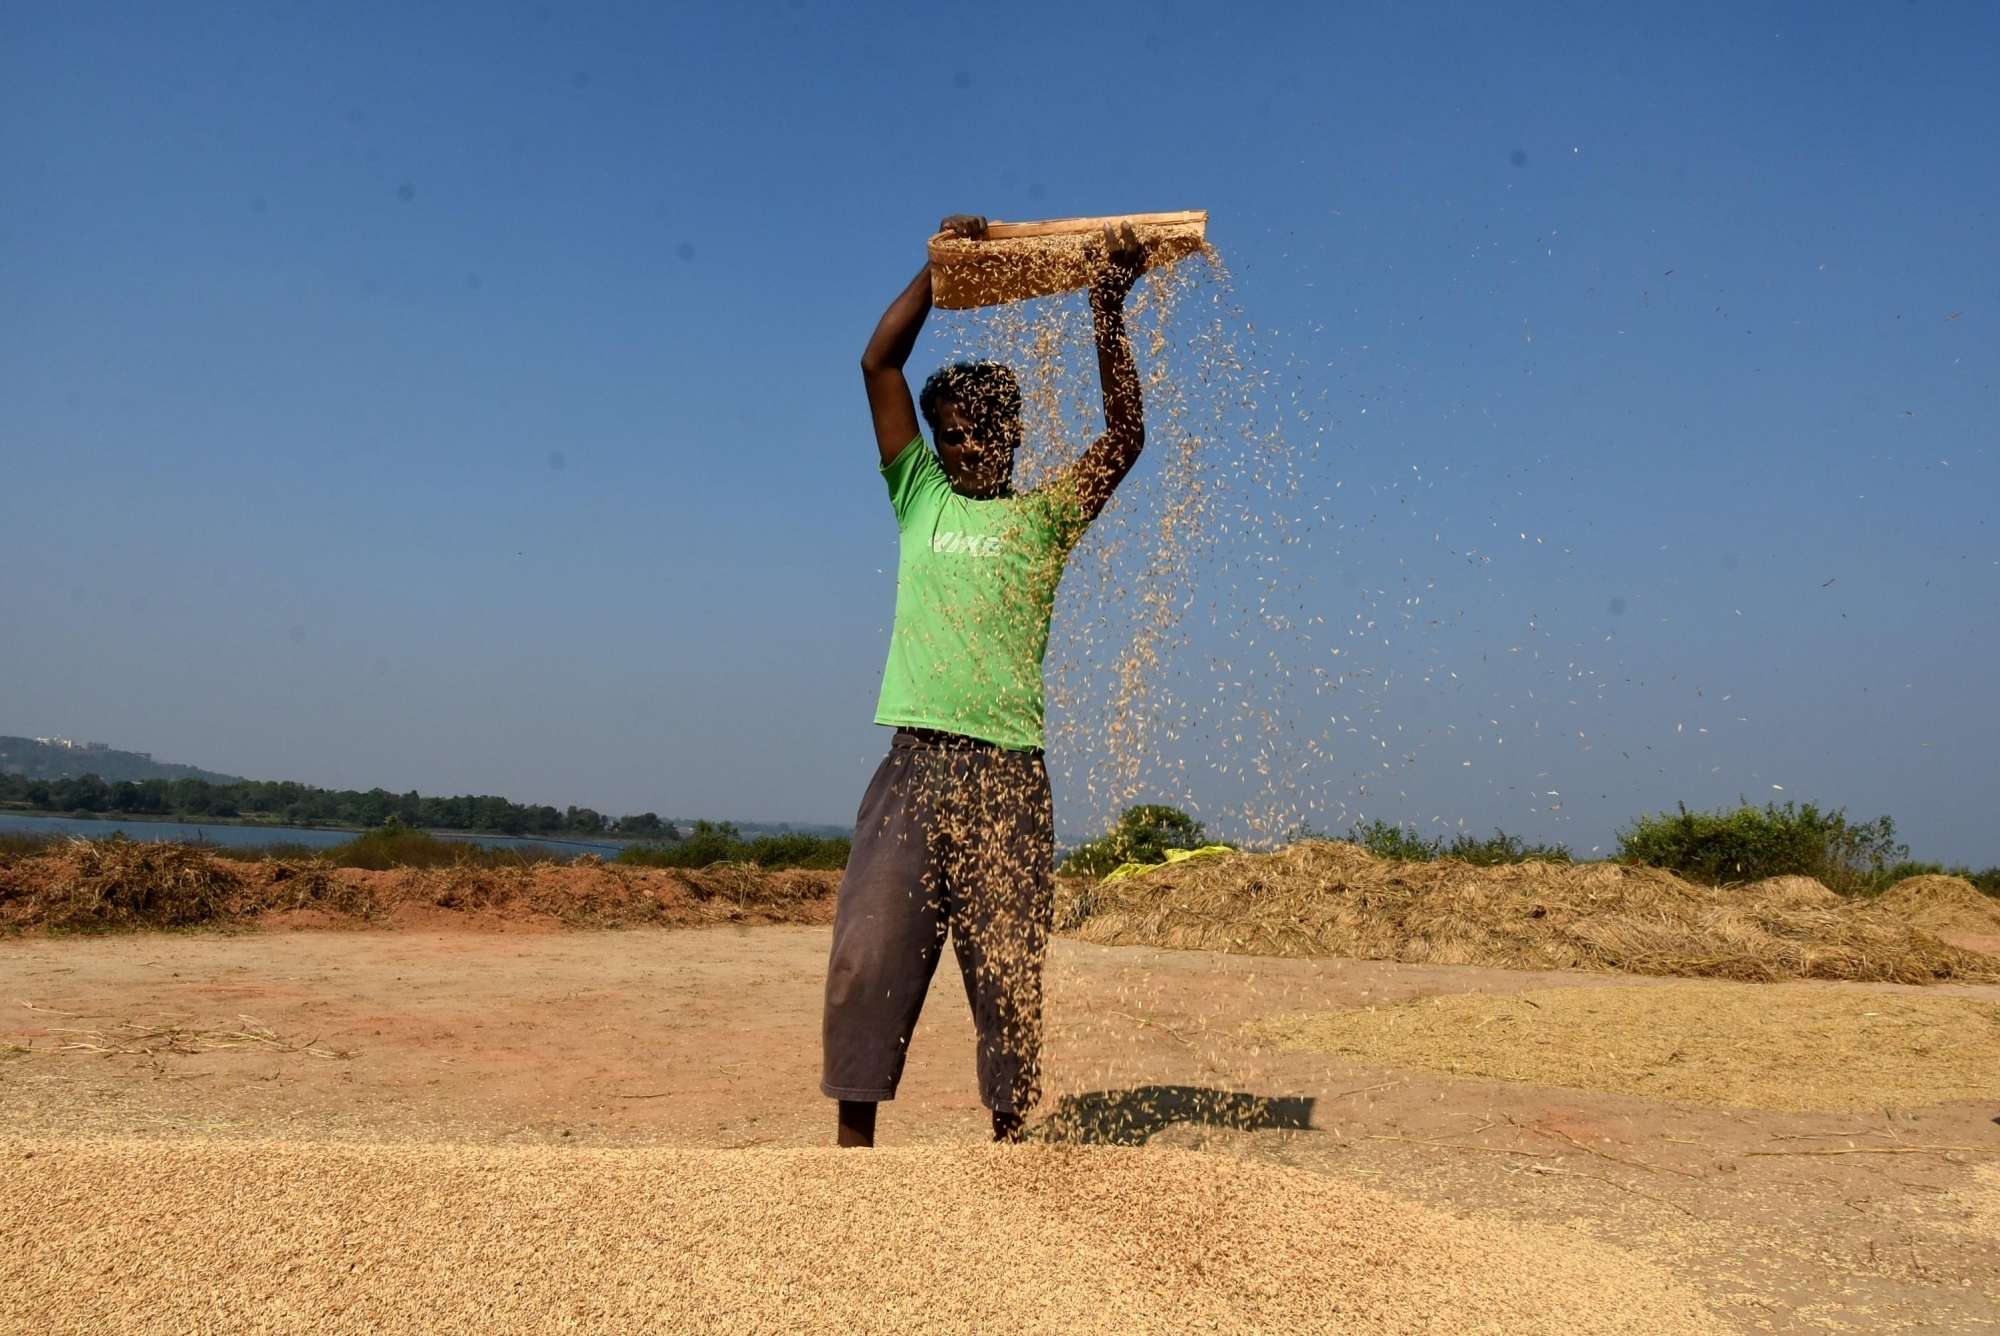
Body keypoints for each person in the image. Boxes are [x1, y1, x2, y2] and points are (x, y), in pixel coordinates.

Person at [822, 213, 1149, 1147]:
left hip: (1008, 775)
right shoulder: (917, 497)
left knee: (1009, 974)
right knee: (869, 957)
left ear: (1012, 433)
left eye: (981, 435)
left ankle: (1010, 1159)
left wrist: (1107, 310)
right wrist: (940, 268)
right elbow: (877, 365)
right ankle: (852, 1158)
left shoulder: (1044, 520)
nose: (966, 452)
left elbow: (1125, 436)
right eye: (952, 437)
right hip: (913, 766)